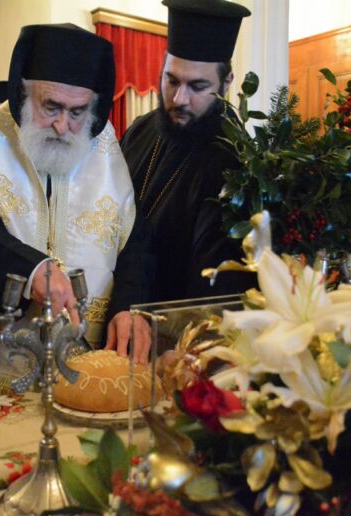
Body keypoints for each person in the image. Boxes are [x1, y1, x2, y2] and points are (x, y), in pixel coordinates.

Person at [0, 23, 152, 361]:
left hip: (85, 361)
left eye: (77, 111)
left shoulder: (107, 153)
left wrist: (128, 307)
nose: (62, 125)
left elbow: (134, 247)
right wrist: (31, 270)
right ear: (24, 95)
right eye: (51, 107)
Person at [120, 0, 254, 303]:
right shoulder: (141, 130)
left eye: (197, 86)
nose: (179, 99)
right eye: (171, 80)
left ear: (226, 83)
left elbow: (217, 289)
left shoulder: (237, 164)